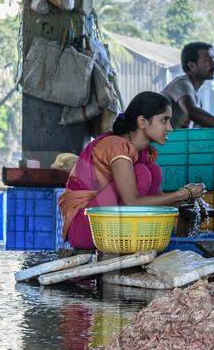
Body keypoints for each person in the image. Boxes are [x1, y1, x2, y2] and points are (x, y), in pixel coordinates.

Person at [58, 91, 206, 250]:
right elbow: (132, 202)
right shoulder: (117, 146)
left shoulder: (143, 153)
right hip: (86, 226)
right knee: (142, 174)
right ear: (142, 121)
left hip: (105, 223)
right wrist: (183, 193)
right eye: (164, 120)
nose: (170, 127)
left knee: (152, 171)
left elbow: (160, 204)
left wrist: (187, 200)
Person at [160, 42, 214, 129]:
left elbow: (197, 126)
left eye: (213, 59)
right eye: (207, 60)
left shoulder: (197, 101)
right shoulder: (181, 83)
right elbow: (192, 112)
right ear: (191, 66)